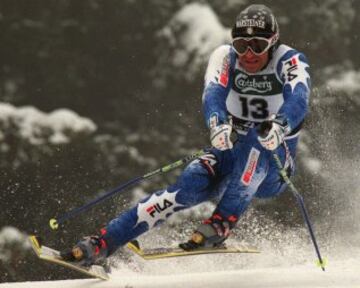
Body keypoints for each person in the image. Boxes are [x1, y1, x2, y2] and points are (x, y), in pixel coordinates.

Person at [62, 4, 310, 266]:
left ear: (273, 43)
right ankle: (104, 242)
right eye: (241, 44)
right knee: (189, 184)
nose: (248, 54)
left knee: (255, 141)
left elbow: (299, 97)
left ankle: (221, 224)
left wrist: (280, 125)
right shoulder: (225, 57)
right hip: (231, 154)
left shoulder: (291, 60)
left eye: (257, 45)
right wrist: (218, 125)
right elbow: (213, 92)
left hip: (273, 165)